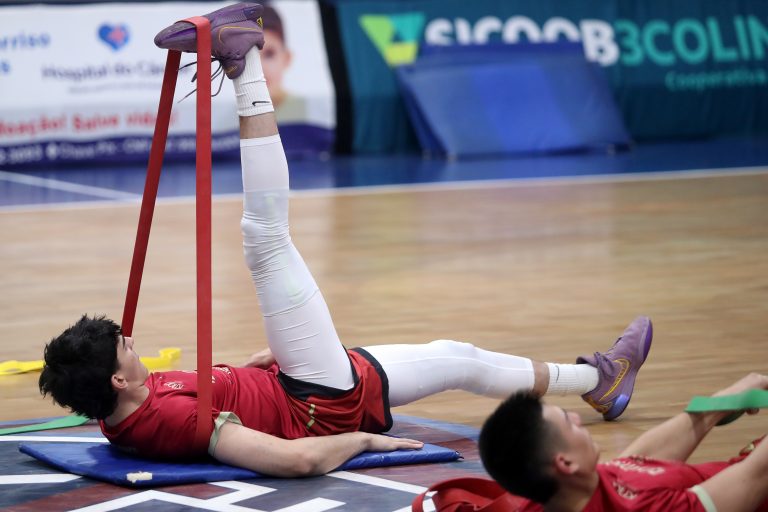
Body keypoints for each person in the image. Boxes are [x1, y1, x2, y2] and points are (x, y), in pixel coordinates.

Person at [39, 3, 652, 478]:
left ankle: (596, 381)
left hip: (299, 379)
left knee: (458, 356)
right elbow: (296, 460)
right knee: (265, 241)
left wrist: (246, 373)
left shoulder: (123, 403)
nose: (134, 343)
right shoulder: (166, 421)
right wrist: (361, 442)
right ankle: (245, 64)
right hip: (314, 399)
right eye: (125, 348)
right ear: (117, 381)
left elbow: (207, 396)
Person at [479, 373, 768, 511]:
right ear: (565, 463)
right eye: (568, 421)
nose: (578, 418)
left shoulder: (557, 494)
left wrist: (725, 400)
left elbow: (632, 464)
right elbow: (757, 475)